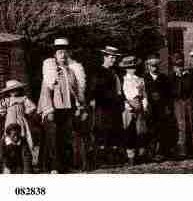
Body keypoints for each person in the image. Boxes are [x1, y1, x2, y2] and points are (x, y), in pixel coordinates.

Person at [37, 38, 87, 173]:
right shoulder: (50, 70)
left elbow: (77, 91)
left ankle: (67, 164)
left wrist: (80, 107)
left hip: (69, 108)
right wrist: (49, 110)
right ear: (55, 55)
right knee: (53, 138)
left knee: (66, 137)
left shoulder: (72, 71)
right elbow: (45, 92)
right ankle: (54, 166)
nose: (63, 55)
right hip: (55, 109)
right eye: (60, 53)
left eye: (65, 52)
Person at [89, 46, 124, 167]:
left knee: (114, 130)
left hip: (114, 106)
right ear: (105, 57)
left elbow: (119, 90)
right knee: (102, 132)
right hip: (103, 107)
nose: (113, 60)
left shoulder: (115, 72)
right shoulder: (98, 72)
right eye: (111, 57)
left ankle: (113, 158)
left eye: (115, 58)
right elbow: (94, 90)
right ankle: (101, 160)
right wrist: (95, 101)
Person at [144, 54, 176, 161]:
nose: (154, 68)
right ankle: (150, 152)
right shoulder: (144, 78)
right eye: (152, 66)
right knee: (151, 130)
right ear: (148, 66)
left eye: (156, 65)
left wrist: (168, 107)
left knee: (162, 129)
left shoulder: (164, 78)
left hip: (162, 108)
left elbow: (169, 95)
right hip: (150, 108)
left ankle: (161, 152)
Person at [120, 56, 148, 166]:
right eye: (130, 67)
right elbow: (121, 95)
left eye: (134, 67)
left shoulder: (140, 79)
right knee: (129, 130)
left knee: (140, 130)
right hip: (128, 106)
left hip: (139, 105)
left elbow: (144, 94)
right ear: (126, 69)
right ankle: (130, 156)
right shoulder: (123, 79)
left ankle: (140, 155)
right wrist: (126, 105)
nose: (132, 69)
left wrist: (145, 105)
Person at [0, 80, 36, 163]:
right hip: (10, 121)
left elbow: (32, 107)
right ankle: (11, 159)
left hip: (21, 121)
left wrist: (26, 113)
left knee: (23, 136)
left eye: (16, 89)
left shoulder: (23, 99)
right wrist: (4, 113)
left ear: (19, 89)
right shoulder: (7, 100)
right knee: (9, 138)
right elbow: (2, 110)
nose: (14, 92)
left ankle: (25, 157)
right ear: (8, 92)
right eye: (11, 90)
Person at [171, 52, 193, 159]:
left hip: (189, 101)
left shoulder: (189, 76)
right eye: (177, 66)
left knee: (191, 124)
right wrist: (178, 78)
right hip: (177, 102)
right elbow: (174, 92)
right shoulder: (172, 78)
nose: (179, 68)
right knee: (180, 125)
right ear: (173, 67)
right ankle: (182, 150)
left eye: (180, 66)